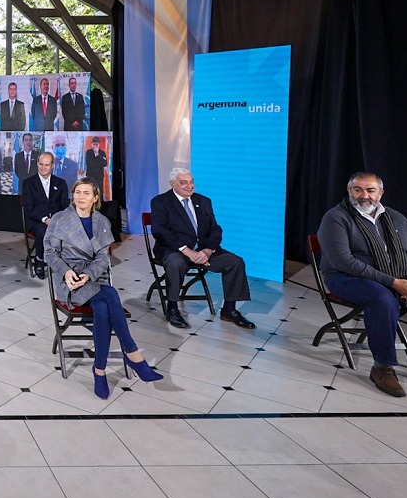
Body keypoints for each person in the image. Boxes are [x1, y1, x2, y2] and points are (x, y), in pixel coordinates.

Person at [44, 177, 163, 398]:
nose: (81, 197)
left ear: (95, 198)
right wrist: (67, 272)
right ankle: (133, 355)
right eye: (78, 192)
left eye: (86, 193)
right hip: (69, 280)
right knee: (110, 294)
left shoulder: (102, 222)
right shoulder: (60, 219)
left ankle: (99, 370)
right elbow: (49, 253)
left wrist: (89, 274)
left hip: (93, 277)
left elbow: (102, 259)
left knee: (102, 307)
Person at [318, 172, 407, 397]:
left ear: (380, 193)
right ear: (349, 191)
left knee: (385, 295)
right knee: (381, 298)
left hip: (396, 279)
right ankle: (382, 368)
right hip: (345, 278)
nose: (364, 195)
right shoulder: (336, 218)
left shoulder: (397, 218)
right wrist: (394, 283)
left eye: (370, 190)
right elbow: (343, 261)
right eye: (358, 190)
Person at [150, 168, 255, 330]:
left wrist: (207, 251)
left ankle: (229, 310)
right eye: (184, 183)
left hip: (203, 250)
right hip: (175, 250)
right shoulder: (160, 202)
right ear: (172, 184)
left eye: (191, 182)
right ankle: (172, 309)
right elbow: (160, 231)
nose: (190, 186)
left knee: (235, 262)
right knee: (175, 263)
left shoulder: (203, 201)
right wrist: (187, 251)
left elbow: (215, 229)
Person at [21, 153, 68, 279]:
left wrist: (55, 219)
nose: (43, 167)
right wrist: (45, 219)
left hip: (57, 221)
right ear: (37, 164)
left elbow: (65, 206)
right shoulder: (28, 183)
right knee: (44, 231)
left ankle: (65, 262)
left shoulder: (61, 183)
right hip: (36, 221)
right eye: (41, 164)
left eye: (46, 165)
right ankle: (39, 259)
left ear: (52, 165)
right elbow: (28, 208)